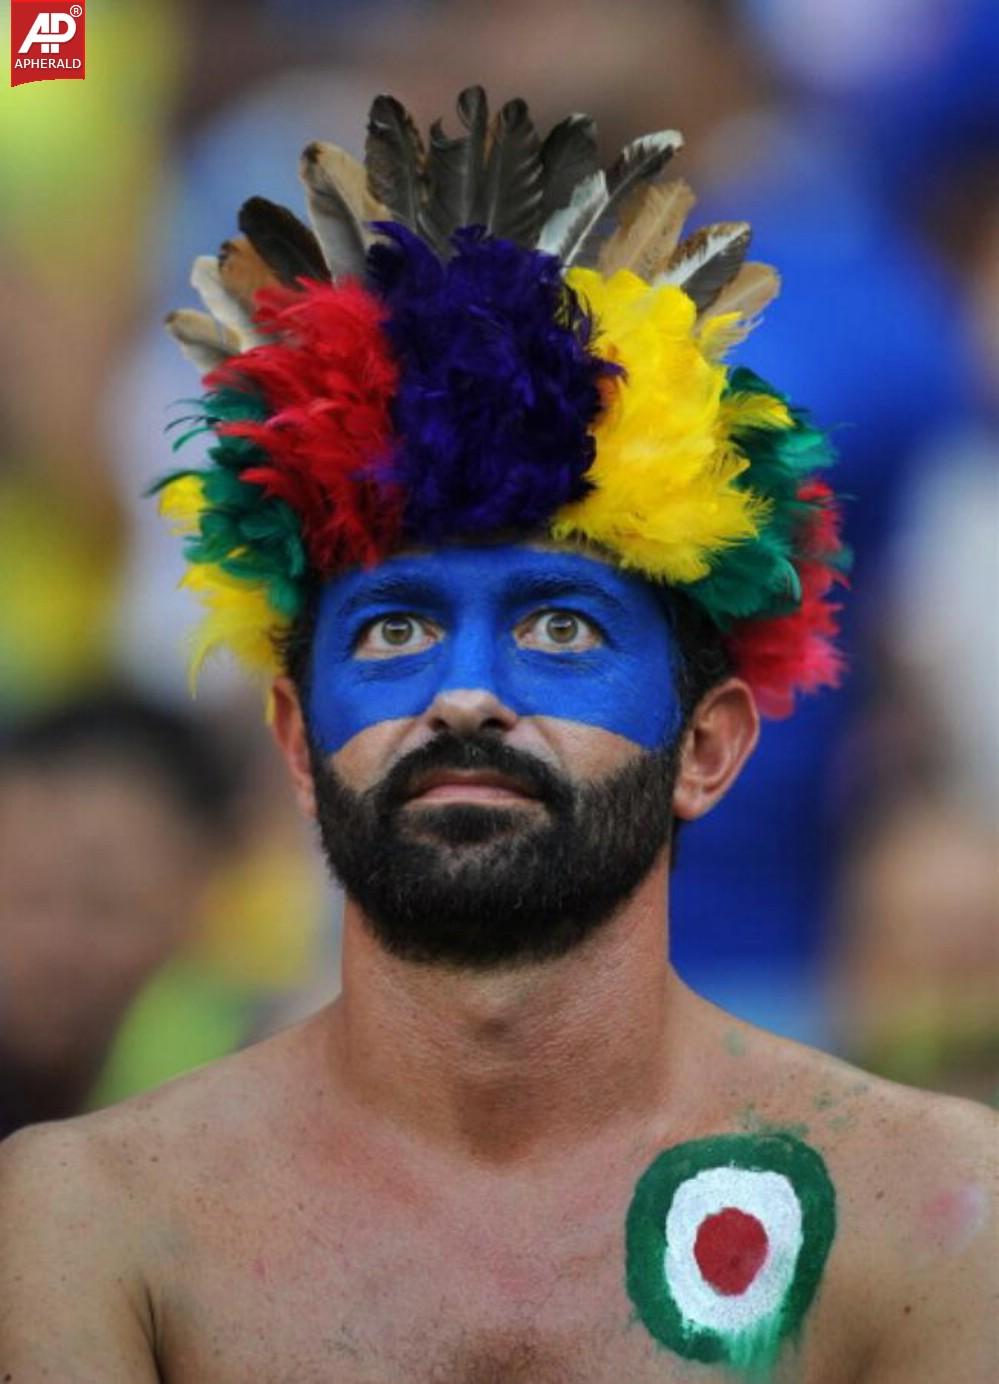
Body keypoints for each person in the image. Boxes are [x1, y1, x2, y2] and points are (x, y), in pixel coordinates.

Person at [0, 90, 993, 1383]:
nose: (465, 695)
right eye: (395, 632)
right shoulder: (93, 1219)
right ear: (296, 744)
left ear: (710, 747)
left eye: (564, 631)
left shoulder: (932, 1213)